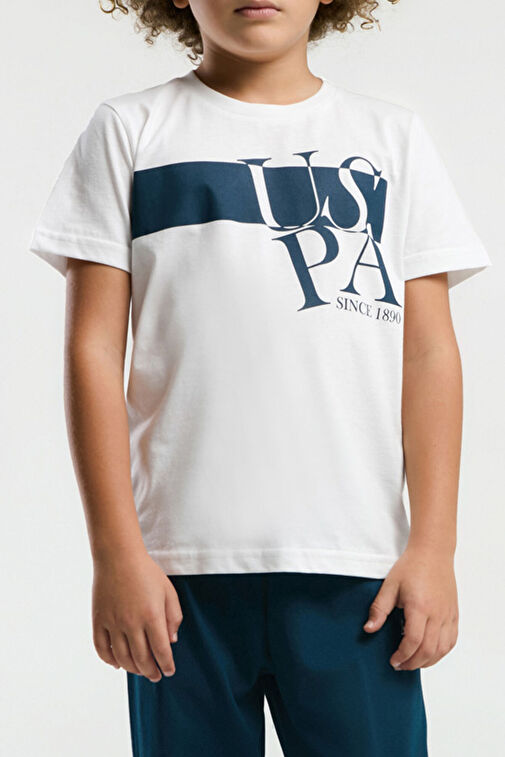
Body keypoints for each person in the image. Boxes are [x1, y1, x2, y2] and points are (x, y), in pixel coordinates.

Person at [29, 1, 492, 754]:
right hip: (177, 576)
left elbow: (429, 354)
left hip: (358, 572)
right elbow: (92, 351)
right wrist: (115, 555)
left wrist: (434, 548)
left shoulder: (391, 140)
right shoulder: (129, 131)